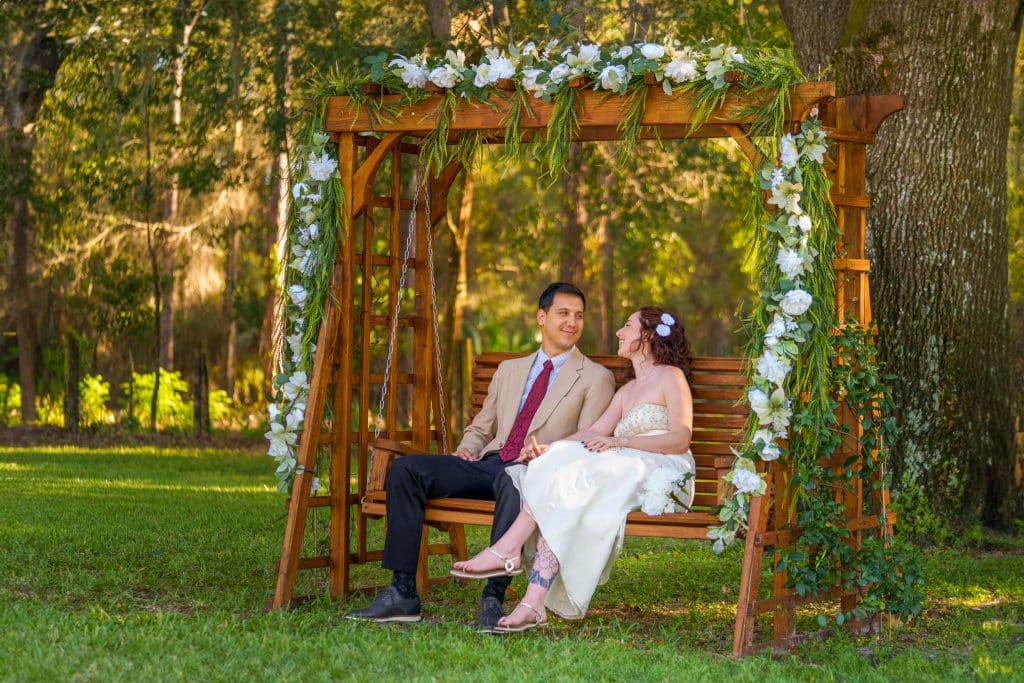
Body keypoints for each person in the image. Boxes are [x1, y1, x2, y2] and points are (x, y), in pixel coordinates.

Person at [346, 283, 616, 629]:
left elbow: (587, 441)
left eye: (578, 316)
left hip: (536, 473)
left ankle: (493, 596)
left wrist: (546, 455)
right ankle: (402, 592)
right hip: (490, 463)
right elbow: (482, 425)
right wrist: (468, 447)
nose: (572, 322)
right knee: (406, 469)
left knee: (513, 480)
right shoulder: (509, 370)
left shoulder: (595, 377)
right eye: (563, 313)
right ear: (541, 317)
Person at [451, 306, 695, 632]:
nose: (620, 333)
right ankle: (532, 603)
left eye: (627, 326)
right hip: (622, 461)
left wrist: (620, 440)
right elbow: (594, 433)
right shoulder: (628, 391)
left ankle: (505, 550)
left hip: (662, 468)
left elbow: (680, 438)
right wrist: (550, 449)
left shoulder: (671, 377)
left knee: (582, 475)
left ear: (648, 335)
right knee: (563, 477)